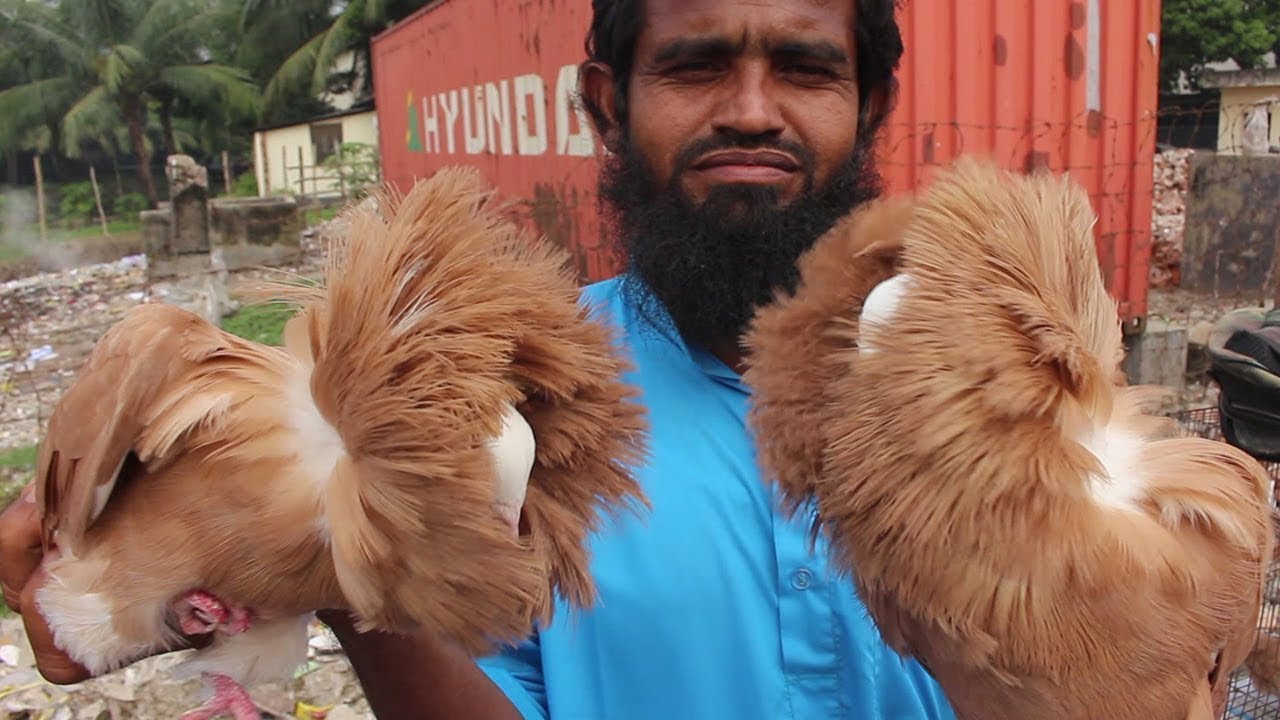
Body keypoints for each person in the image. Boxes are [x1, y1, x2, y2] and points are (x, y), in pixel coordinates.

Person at [0, 1, 957, 718]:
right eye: (695, 66)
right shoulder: (501, 400)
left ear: (870, 105)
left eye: (804, 68)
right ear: (606, 106)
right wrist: (325, 539)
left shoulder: (989, 391)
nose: (752, 111)